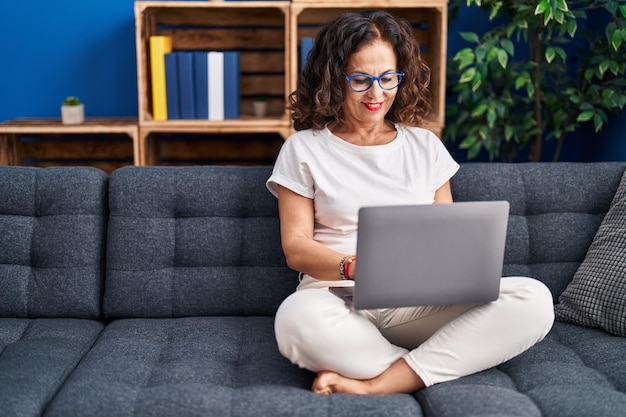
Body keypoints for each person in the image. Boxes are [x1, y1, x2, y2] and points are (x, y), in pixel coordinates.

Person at [266, 9, 554, 395]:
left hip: (420, 304)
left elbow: (449, 238)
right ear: (334, 79)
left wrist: (452, 272)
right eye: (360, 80)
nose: (376, 93)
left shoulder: (425, 146)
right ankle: (440, 361)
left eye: (388, 78)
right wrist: (354, 267)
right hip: (336, 298)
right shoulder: (303, 148)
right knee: (294, 321)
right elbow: (296, 248)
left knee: (533, 299)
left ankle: (380, 382)